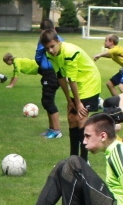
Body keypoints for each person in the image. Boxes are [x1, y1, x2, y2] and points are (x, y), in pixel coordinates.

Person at [41, 28, 105, 157]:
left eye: (52, 46)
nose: (50, 50)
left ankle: (83, 159)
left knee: (81, 119)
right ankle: (73, 157)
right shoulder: (50, 55)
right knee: (71, 118)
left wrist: (78, 103)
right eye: (47, 48)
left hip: (89, 82)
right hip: (77, 83)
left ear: (58, 41)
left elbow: (71, 79)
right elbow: (60, 76)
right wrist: (69, 101)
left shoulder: (70, 53)